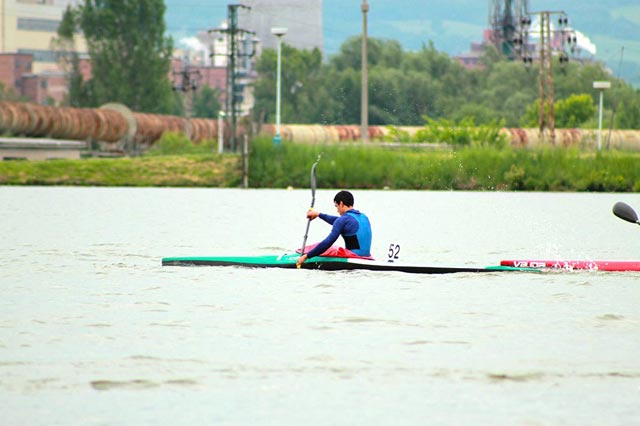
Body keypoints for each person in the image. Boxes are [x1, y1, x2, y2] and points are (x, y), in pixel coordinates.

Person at [296, 190, 372, 267]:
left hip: (354, 257)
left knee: (320, 246)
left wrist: (306, 256)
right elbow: (337, 220)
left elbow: (328, 242)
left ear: (341, 203)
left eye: (336, 206)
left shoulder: (343, 220)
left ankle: (302, 255)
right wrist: (318, 214)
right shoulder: (364, 217)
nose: (337, 210)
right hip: (367, 257)